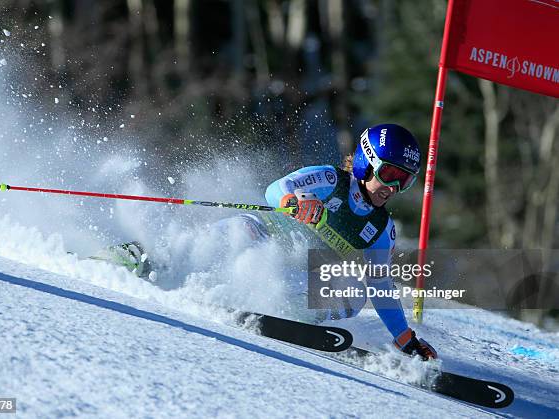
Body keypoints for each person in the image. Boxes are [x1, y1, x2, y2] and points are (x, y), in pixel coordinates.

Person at [99, 123, 437, 360]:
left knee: (356, 292)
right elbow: (275, 190)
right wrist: (294, 202)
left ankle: (290, 313)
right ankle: (148, 259)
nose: (393, 187)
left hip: (302, 275)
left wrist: (404, 337)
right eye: (390, 174)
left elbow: (380, 285)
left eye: (404, 180)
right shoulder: (332, 180)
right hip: (270, 235)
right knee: (238, 231)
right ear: (368, 161)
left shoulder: (381, 229)